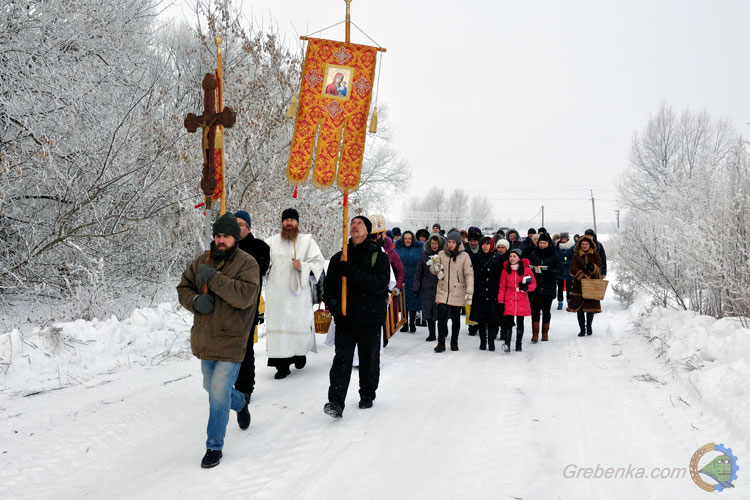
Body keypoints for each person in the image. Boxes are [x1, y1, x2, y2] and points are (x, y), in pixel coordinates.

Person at [176, 212, 260, 468]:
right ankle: (240, 403)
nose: (221, 240)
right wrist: (195, 302)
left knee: (218, 395)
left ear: (235, 238)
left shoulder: (247, 264)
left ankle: (214, 446)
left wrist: (213, 278)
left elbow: (244, 296)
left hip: (231, 339)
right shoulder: (203, 260)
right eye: (218, 235)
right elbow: (183, 288)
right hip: (206, 338)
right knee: (211, 388)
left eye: (226, 236)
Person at [323, 216, 391, 418]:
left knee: (369, 359)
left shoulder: (378, 257)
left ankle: (367, 394)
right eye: (352, 222)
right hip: (346, 319)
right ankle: (335, 401)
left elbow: (379, 285)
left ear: (368, 231)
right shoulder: (339, 258)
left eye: (359, 223)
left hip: (370, 318)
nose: (354, 225)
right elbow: (329, 290)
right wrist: (337, 312)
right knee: (341, 360)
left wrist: (352, 273)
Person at [264, 208, 325, 379]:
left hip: (298, 296)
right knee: (280, 328)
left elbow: (319, 263)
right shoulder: (270, 242)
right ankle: (281, 366)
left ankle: (299, 354)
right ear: (282, 223)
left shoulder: (307, 242)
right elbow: (263, 264)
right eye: (286, 220)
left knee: (298, 326)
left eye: (292, 220)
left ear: (298, 222)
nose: (289, 223)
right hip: (277, 295)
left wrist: (304, 266)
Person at [233, 210, 269, 402]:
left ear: (248, 227)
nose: (237, 228)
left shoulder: (260, 247)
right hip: (226, 306)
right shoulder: (224, 246)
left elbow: (257, 270)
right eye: (234, 224)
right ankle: (227, 383)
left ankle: (245, 387)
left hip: (248, 305)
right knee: (227, 348)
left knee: (245, 349)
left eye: (240, 224)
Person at [430, 231, 474, 352]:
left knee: (455, 318)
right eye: (449, 242)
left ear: (458, 243)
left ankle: (454, 341)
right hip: (443, 289)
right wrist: (435, 267)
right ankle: (441, 342)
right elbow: (434, 271)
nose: (450, 244)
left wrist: (469, 291)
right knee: (442, 316)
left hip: (458, 290)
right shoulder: (441, 254)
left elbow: (469, 274)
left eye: (453, 242)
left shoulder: (464, 256)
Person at [497, 248, 536, 353]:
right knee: (508, 322)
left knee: (520, 322)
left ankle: (519, 343)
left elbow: (533, 284)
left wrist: (527, 288)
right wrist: (500, 301)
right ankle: (507, 344)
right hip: (509, 298)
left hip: (521, 298)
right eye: (510, 256)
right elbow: (502, 287)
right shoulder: (505, 271)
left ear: (519, 258)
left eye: (514, 256)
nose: (512, 258)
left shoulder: (526, 270)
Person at [469, 236, 503, 351]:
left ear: (492, 245)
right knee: (481, 319)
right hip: (480, 292)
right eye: (483, 244)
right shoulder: (476, 257)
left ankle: (491, 340)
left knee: (493, 319)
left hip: (494, 291)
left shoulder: (498, 257)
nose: (485, 246)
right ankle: (483, 341)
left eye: (488, 244)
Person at [567, 235, 603, 336]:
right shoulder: (576, 255)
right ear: (580, 245)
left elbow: (599, 266)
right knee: (580, 308)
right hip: (579, 285)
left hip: (592, 283)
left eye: (586, 244)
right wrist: (582, 275)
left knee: (590, 307)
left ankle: (589, 326)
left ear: (590, 244)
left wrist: (593, 269)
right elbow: (573, 268)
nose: (584, 246)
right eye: (583, 244)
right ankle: (582, 329)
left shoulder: (595, 255)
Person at [528, 233, 562, 342]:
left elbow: (560, 271)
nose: (542, 245)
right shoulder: (534, 254)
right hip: (535, 287)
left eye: (544, 243)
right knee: (535, 311)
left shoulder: (554, 255)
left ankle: (545, 333)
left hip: (548, 287)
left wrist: (549, 271)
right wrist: (533, 270)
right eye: (540, 243)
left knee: (546, 311)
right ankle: (535, 333)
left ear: (548, 243)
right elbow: (528, 269)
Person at [414, 233, 443, 342]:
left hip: (440, 286)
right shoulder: (424, 255)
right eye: (432, 243)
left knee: (440, 311)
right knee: (429, 312)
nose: (434, 246)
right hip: (427, 287)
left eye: (436, 244)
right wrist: (416, 287)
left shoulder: (443, 254)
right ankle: (432, 333)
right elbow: (419, 272)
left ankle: (442, 331)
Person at [395, 231, 424, 333]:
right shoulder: (398, 249)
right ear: (403, 239)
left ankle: (412, 323)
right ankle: (405, 323)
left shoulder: (419, 249)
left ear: (413, 240)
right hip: (402, 278)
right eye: (406, 238)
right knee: (403, 301)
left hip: (414, 278)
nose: (408, 240)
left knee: (413, 302)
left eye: (410, 238)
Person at [556, 232, 575, 310]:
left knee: (569, 287)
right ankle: (560, 302)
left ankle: (569, 301)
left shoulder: (572, 247)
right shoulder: (557, 247)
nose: (563, 240)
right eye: (562, 239)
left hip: (569, 270)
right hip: (560, 270)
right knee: (560, 288)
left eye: (565, 239)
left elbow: (574, 258)